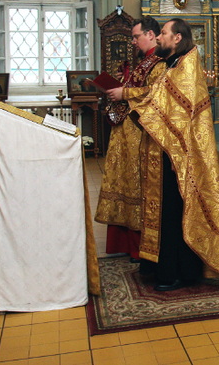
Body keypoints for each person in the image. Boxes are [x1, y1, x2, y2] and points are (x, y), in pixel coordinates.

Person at [107, 18, 219, 290]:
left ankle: (179, 272)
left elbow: (172, 110)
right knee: (166, 211)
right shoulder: (173, 64)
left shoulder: (186, 67)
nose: (159, 37)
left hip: (179, 155)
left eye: (163, 33)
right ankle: (165, 267)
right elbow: (157, 98)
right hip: (166, 150)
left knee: (175, 211)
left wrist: (133, 99)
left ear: (177, 38)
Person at [95, 17, 164, 262]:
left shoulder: (160, 63)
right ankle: (124, 242)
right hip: (125, 135)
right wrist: (121, 83)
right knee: (124, 183)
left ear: (151, 35)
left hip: (140, 135)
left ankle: (140, 246)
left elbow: (157, 94)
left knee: (137, 186)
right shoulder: (143, 63)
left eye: (136, 37)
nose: (133, 42)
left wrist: (124, 91)